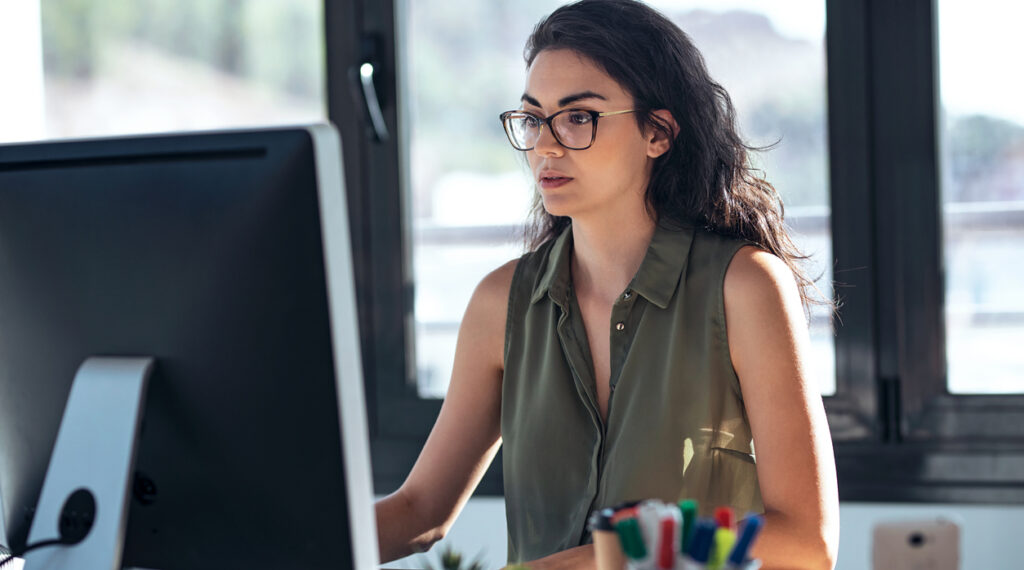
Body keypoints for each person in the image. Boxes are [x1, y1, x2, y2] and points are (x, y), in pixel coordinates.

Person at [375, 1, 839, 568]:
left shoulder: (744, 288)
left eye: (578, 117)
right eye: (532, 118)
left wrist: (606, 558)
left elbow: (806, 542)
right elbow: (420, 510)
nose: (546, 145)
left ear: (658, 133)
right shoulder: (501, 304)